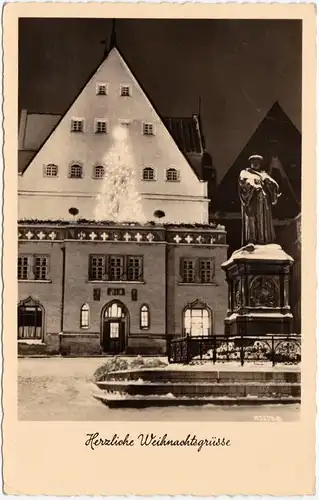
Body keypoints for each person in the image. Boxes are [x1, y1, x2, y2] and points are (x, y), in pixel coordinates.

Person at [238, 154, 281, 246]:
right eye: (254, 162)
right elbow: (243, 183)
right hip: (252, 200)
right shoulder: (245, 173)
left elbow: (274, 186)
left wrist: (270, 183)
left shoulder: (263, 174)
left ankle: (264, 240)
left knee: (263, 220)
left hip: (263, 201)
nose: (256, 163)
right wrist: (253, 186)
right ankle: (251, 240)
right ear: (251, 163)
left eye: (258, 162)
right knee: (252, 219)